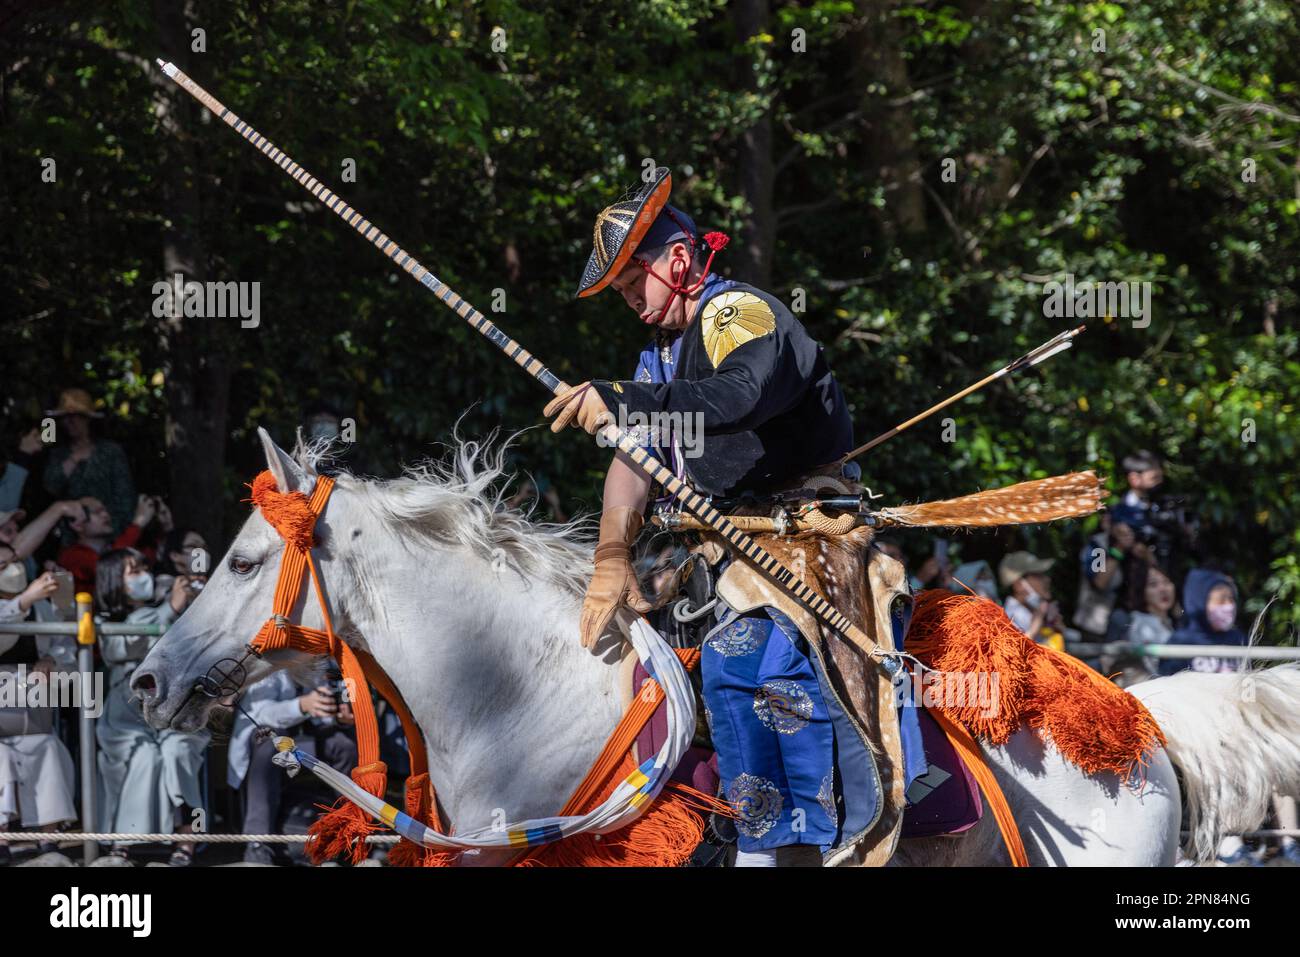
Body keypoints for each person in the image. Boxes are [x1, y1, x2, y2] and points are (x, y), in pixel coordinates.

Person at [541, 167, 910, 866]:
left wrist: (621, 400)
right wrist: (611, 557)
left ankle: (793, 844)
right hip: (711, 552)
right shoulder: (656, 354)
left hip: (798, 540)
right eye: (619, 291)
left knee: (746, 657)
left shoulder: (736, 312)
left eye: (632, 282)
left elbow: (736, 397)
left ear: (677, 260)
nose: (628, 300)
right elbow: (635, 455)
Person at [94, 547, 208, 865]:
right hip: (125, 713)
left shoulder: (176, 604)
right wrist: (168, 609)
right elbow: (119, 648)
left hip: (176, 706)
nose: (144, 575)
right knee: (141, 756)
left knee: (177, 753)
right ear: (113, 580)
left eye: (144, 567)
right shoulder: (105, 618)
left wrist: (189, 595)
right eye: (133, 570)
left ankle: (188, 839)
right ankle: (123, 843)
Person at [227, 669, 358, 865]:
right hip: (267, 740)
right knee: (271, 745)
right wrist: (302, 705)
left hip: (306, 738)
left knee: (344, 746)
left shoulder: (318, 663)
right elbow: (263, 715)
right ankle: (258, 844)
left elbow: (320, 715)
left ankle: (347, 836)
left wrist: (339, 717)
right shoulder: (267, 665)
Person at [0, 562, 77, 863]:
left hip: (33, 706)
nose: (13, 569)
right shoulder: (29, 601)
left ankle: (49, 838)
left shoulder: (41, 607)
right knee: (0, 757)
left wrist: (50, 661)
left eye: (15, 562)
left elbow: (67, 647)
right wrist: (22, 602)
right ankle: (3, 837)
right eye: (4, 564)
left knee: (48, 748)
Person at [41, 388, 136, 536]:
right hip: (71, 535)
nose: (71, 422)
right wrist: (74, 459)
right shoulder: (57, 453)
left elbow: (125, 498)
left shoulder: (111, 451)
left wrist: (118, 532)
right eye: (66, 417)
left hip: (110, 533)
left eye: (77, 416)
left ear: (88, 419)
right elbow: (51, 486)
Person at [1158, 568, 1246, 677]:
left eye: (1231, 599)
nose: (1229, 606)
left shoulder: (1238, 639)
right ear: (1200, 602)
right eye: (1221, 600)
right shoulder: (1180, 643)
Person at [998, 551, 1067, 649]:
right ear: (1019, 585)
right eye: (1039, 575)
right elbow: (1016, 652)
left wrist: (1054, 625)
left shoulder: (1032, 607)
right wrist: (1036, 623)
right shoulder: (1009, 616)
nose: (1047, 579)